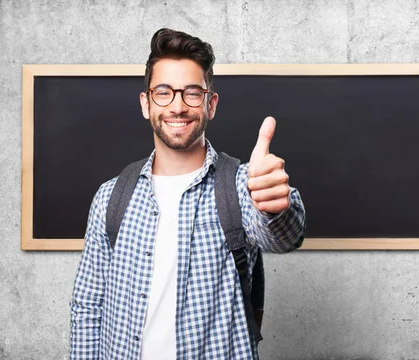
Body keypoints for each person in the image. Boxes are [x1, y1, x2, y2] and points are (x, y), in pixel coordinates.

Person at [69, 28, 306, 360]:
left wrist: (275, 207)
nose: (177, 106)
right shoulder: (111, 197)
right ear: (146, 103)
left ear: (210, 104)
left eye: (192, 92)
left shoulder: (239, 187)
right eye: (163, 92)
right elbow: (88, 304)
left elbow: (284, 237)